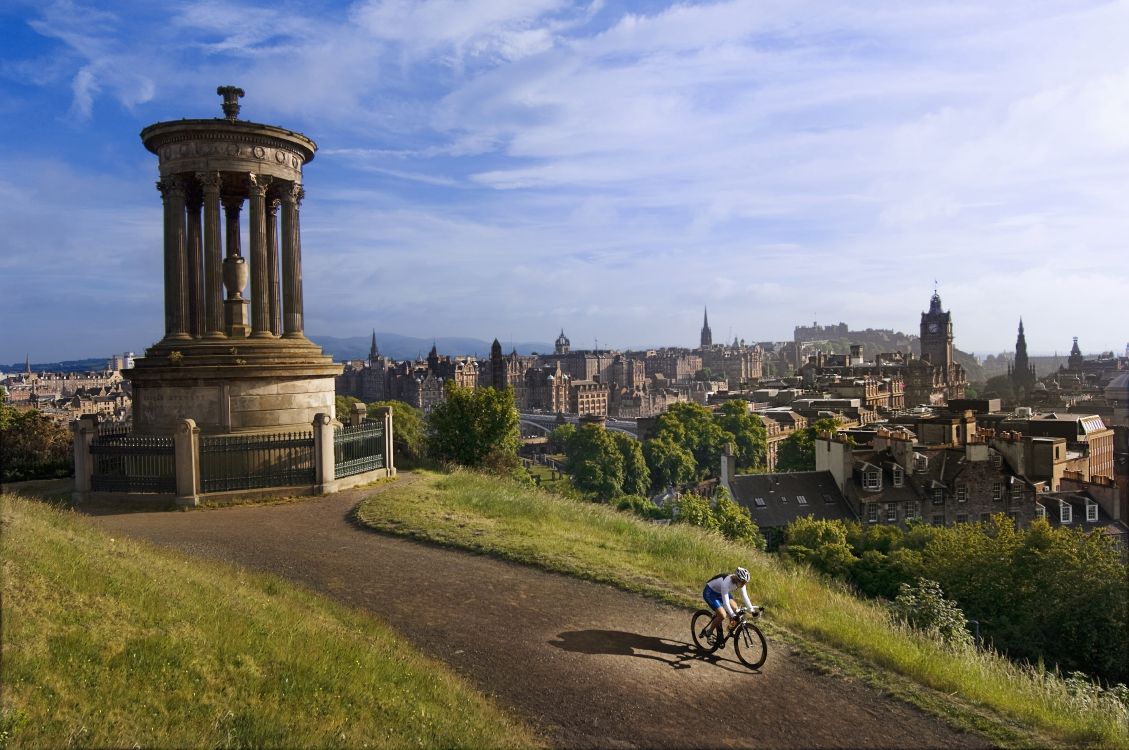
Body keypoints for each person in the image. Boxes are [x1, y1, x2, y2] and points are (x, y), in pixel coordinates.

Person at [700, 567, 753, 647]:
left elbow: (745, 597)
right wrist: (732, 615)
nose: (744, 584)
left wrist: (752, 610)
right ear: (737, 579)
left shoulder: (741, 583)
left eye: (745, 582)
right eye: (743, 582)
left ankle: (729, 630)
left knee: (736, 610)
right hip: (710, 593)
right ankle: (708, 633)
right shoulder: (726, 583)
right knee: (722, 615)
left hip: (722, 592)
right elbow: (726, 603)